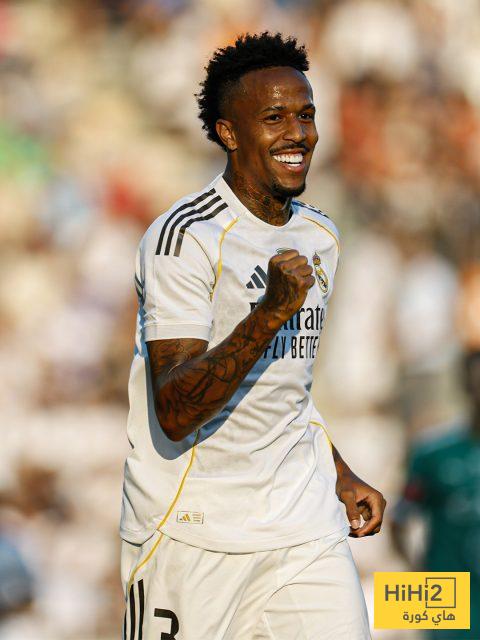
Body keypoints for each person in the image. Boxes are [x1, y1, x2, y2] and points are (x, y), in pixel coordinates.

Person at [120, 32, 386, 640]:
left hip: (302, 527)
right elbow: (175, 410)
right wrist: (268, 313)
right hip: (192, 533)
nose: (299, 134)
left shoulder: (321, 236)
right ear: (229, 133)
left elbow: (285, 385)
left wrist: (339, 471)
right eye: (275, 118)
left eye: (306, 115)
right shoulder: (183, 238)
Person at [391, 349, 480, 639]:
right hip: (449, 594)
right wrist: (421, 580)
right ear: (465, 385)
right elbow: (397, 522)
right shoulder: (432, 453)